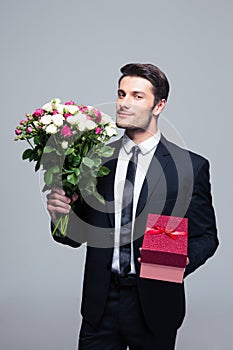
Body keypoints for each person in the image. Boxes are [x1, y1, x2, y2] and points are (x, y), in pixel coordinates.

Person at [47, 63, 219, 350]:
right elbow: (72, 237)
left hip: (155, 304)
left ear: (159, 105)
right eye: (121, 93)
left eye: (137, 96)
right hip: (100, 304)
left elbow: (207, 237)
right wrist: (59, 218)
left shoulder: (190, 167)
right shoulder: (95, 160)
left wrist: (181, 260)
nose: (124, 103)